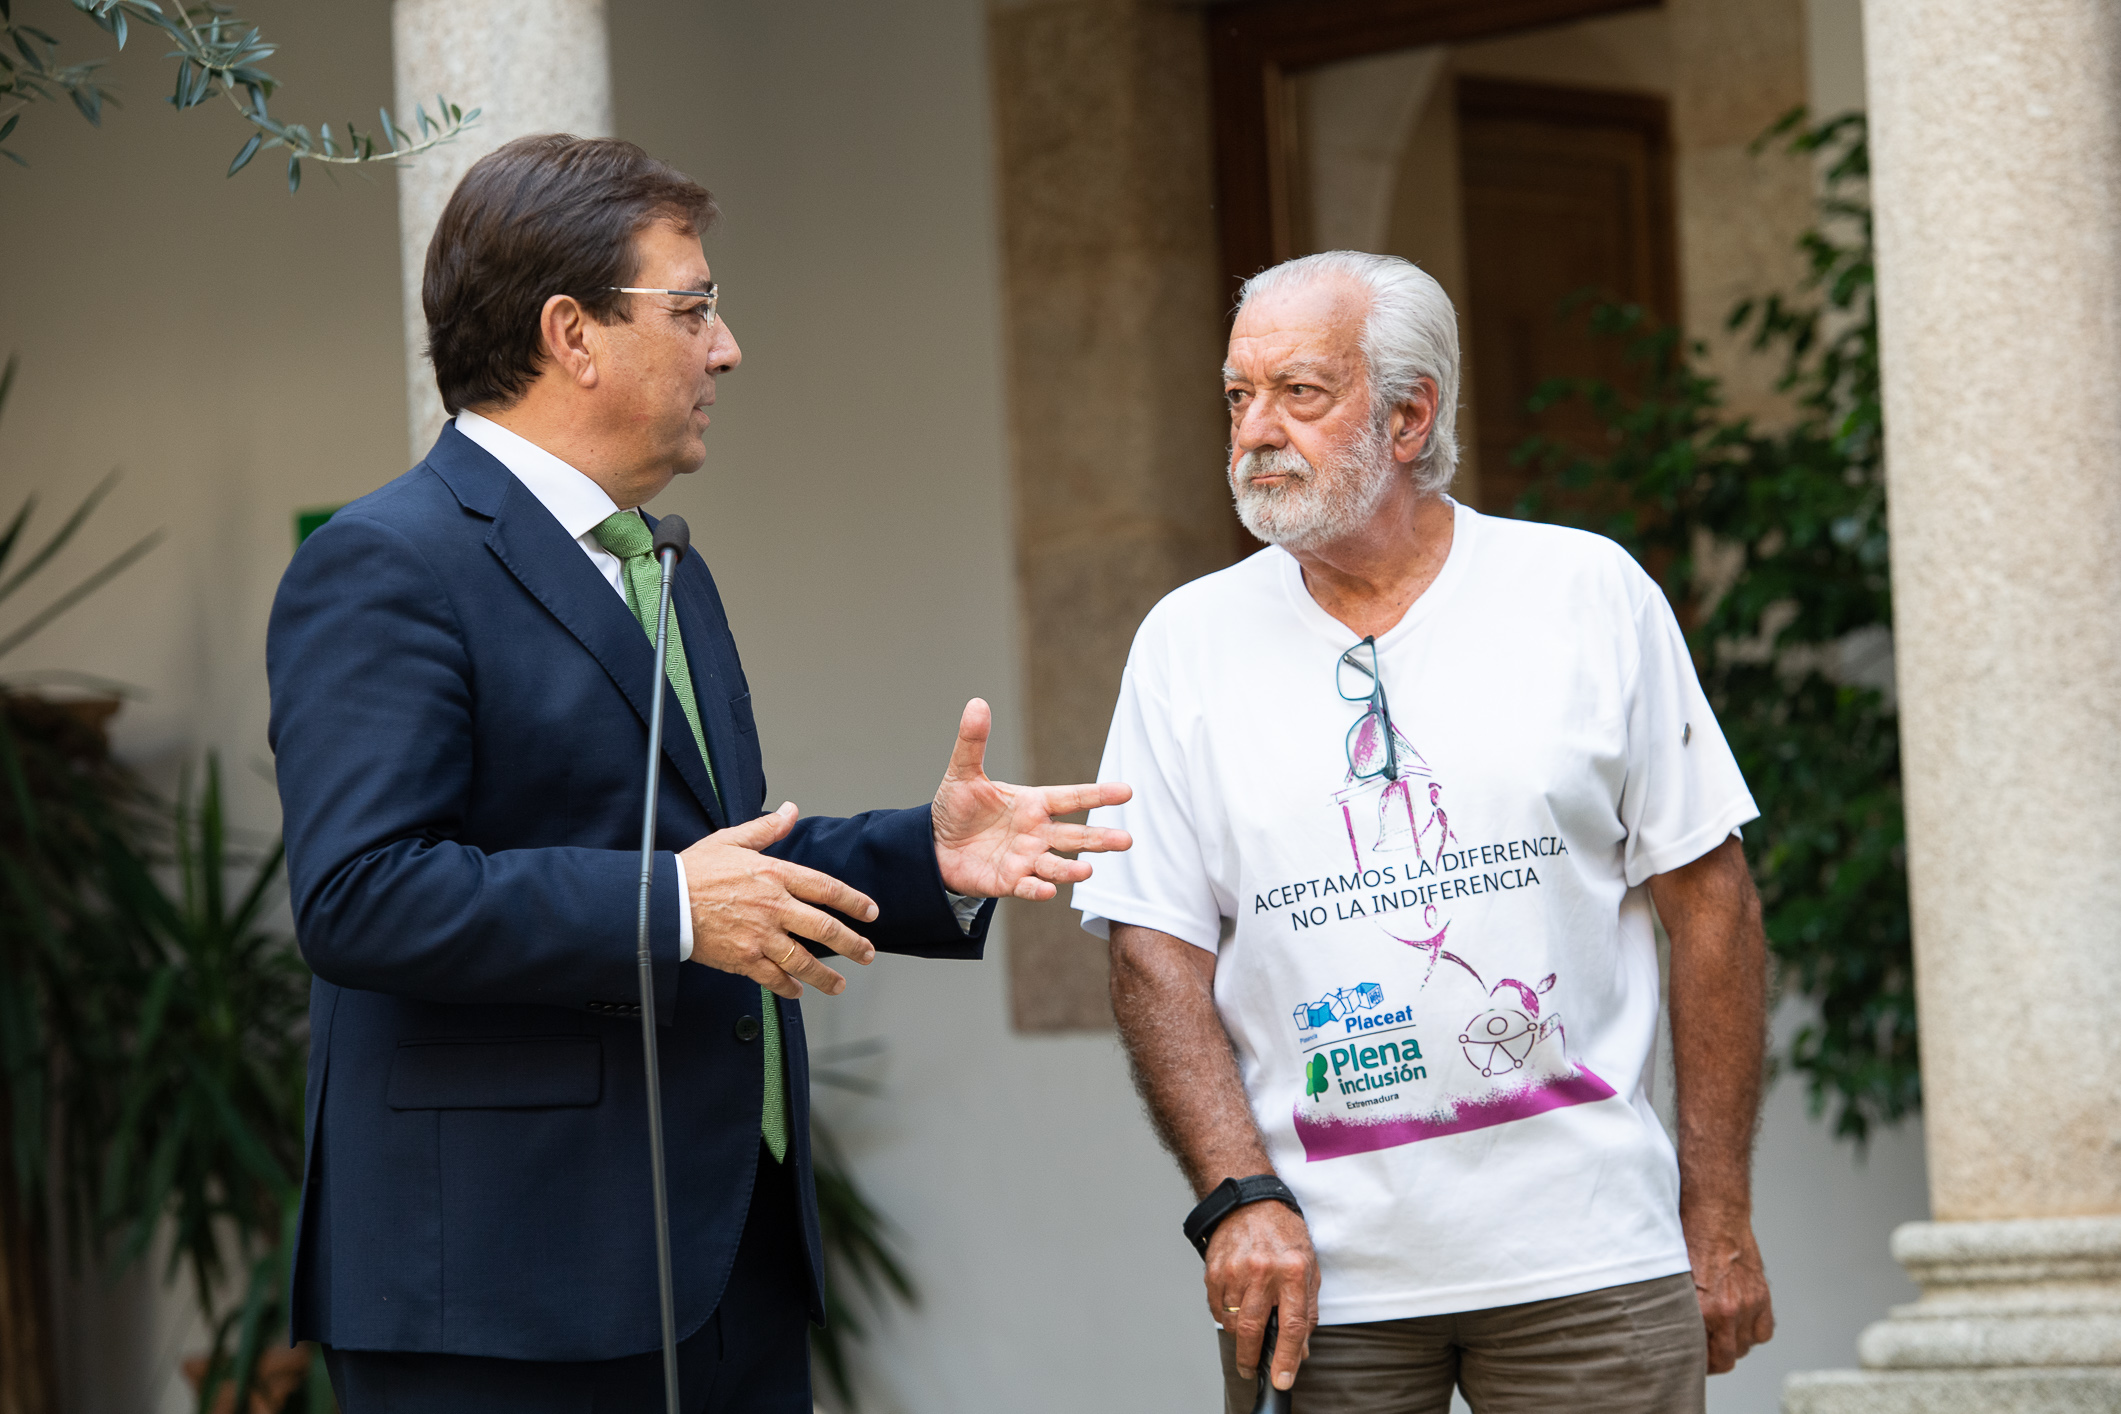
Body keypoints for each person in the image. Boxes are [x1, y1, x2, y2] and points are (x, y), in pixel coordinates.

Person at [267, 134, 1130, 1413]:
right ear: (574, 333)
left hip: (722, 1266)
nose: (726, 348)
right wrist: (668, 910)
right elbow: (363, 893)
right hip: (506, 1297)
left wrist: (923, 857)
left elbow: (713, 859)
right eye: (694, 308)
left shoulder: (664, 562)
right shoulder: (383, 561)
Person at [1071, 250, 1774, 1413]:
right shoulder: (1184, 644)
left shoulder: (1586, 593)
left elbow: (1714, 905)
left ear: (1409, 415)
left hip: (1590, 1254)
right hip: (1319, 1278)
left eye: (1299, 393)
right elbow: (1154, 948)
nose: (1254, 431)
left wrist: (1718, 1213)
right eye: (1238, 396)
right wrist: (1238, 1198)